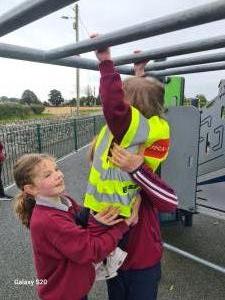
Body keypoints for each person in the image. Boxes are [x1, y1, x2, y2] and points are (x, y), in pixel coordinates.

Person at [83, 36, 178, 300]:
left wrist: (106, 63)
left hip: (140, 259)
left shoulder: (128, 131)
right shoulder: (150, 127)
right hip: (116, 251)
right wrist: (140, 74)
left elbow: (170, 202)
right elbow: (147, 104)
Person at [13, 153, 140, 300]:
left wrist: (97, 216)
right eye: (47, 175)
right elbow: (91, 250)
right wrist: (123, 225)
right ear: (31, 189)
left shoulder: (64, 201)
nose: (58, 175)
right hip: (63, 293)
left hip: (72, 287)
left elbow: (81, 224)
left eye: (56, 169)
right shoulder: (49, 220)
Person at [84, 36, 170, 218]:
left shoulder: (128, 125)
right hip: (127, 200)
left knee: (98, 245)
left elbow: (113, 104)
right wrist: (140, 71)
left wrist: (106, 62)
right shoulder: (158, 126)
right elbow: (144, 96)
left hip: (106, 208)